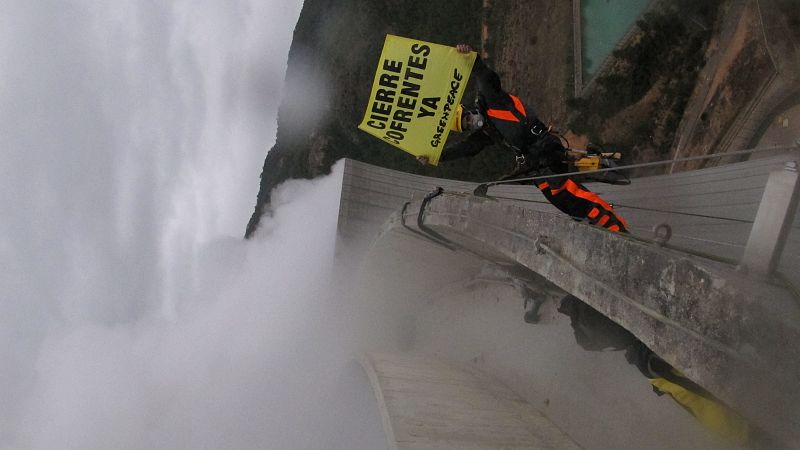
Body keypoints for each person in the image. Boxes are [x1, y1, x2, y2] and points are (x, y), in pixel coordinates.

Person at [418, 44, 628, 232]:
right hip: (534, 162)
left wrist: (471, 59)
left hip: (544, 147)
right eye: (467, 126)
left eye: (468, 118)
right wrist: (436, 156)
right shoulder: (487, 131)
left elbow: (486, 77)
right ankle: (595, 224)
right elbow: (466, 148)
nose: (472, 123)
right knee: (557, 199)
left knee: (566, 192)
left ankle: (615, 227)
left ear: (469, 110)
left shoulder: (492, 100)